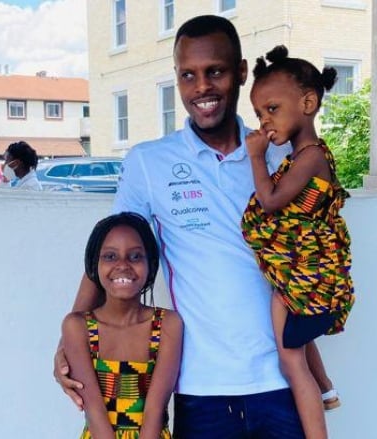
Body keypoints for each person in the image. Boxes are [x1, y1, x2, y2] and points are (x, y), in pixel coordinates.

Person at [56, 15, 308, 438]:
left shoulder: (278, 157)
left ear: (242, 72)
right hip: (199, 387)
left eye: (216, 72)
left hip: (281, 379)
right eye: (188, 75)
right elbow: (111, 253)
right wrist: (67, 342)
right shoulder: (149, 163)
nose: (201, 87)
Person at [241, 45, 356, 439]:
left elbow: (272, 202)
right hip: (297, 279)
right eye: (258, 114)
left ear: (307, 103)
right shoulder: (302, 156)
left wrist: (255, 157)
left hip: (309, 279)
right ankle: (327, 389)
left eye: (272, 109)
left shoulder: (310, 157)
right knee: (297, 340)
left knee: (291, 362)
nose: (264, 121)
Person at [62, 212, 183, 439]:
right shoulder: (77, 327)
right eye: (110, 256)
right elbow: (95, 414)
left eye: (135, 256)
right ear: (93, 264)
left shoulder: (168, 325)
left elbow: (154, 412)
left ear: (151, 264)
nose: (123, 265)